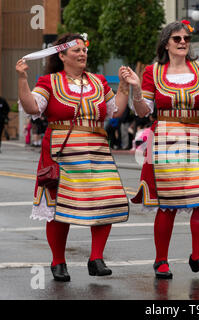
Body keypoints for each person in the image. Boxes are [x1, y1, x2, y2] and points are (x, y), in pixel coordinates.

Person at [16, 33, 130, 282]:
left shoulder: (98, 81)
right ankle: (58, 261)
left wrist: (123, 86)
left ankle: (96, 258)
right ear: (62, 55)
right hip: (62, 152)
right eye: (76, 50)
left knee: (106, 201)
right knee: (59, 208)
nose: (82, 54)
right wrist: (22, 79)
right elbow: (32, 108)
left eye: (84, 50)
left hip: (97, 150)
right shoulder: (49, 82)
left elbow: (116, 111)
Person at [124, 20, 199, 279]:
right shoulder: (152, 71)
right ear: (166, 42)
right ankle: (161, 260)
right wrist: (136, 88)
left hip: (197, 134)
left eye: (186, 39)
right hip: (166, 136)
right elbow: (144, 111)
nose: (182, 43)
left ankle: (198, 256)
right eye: (177, 38)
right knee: (167, 203)